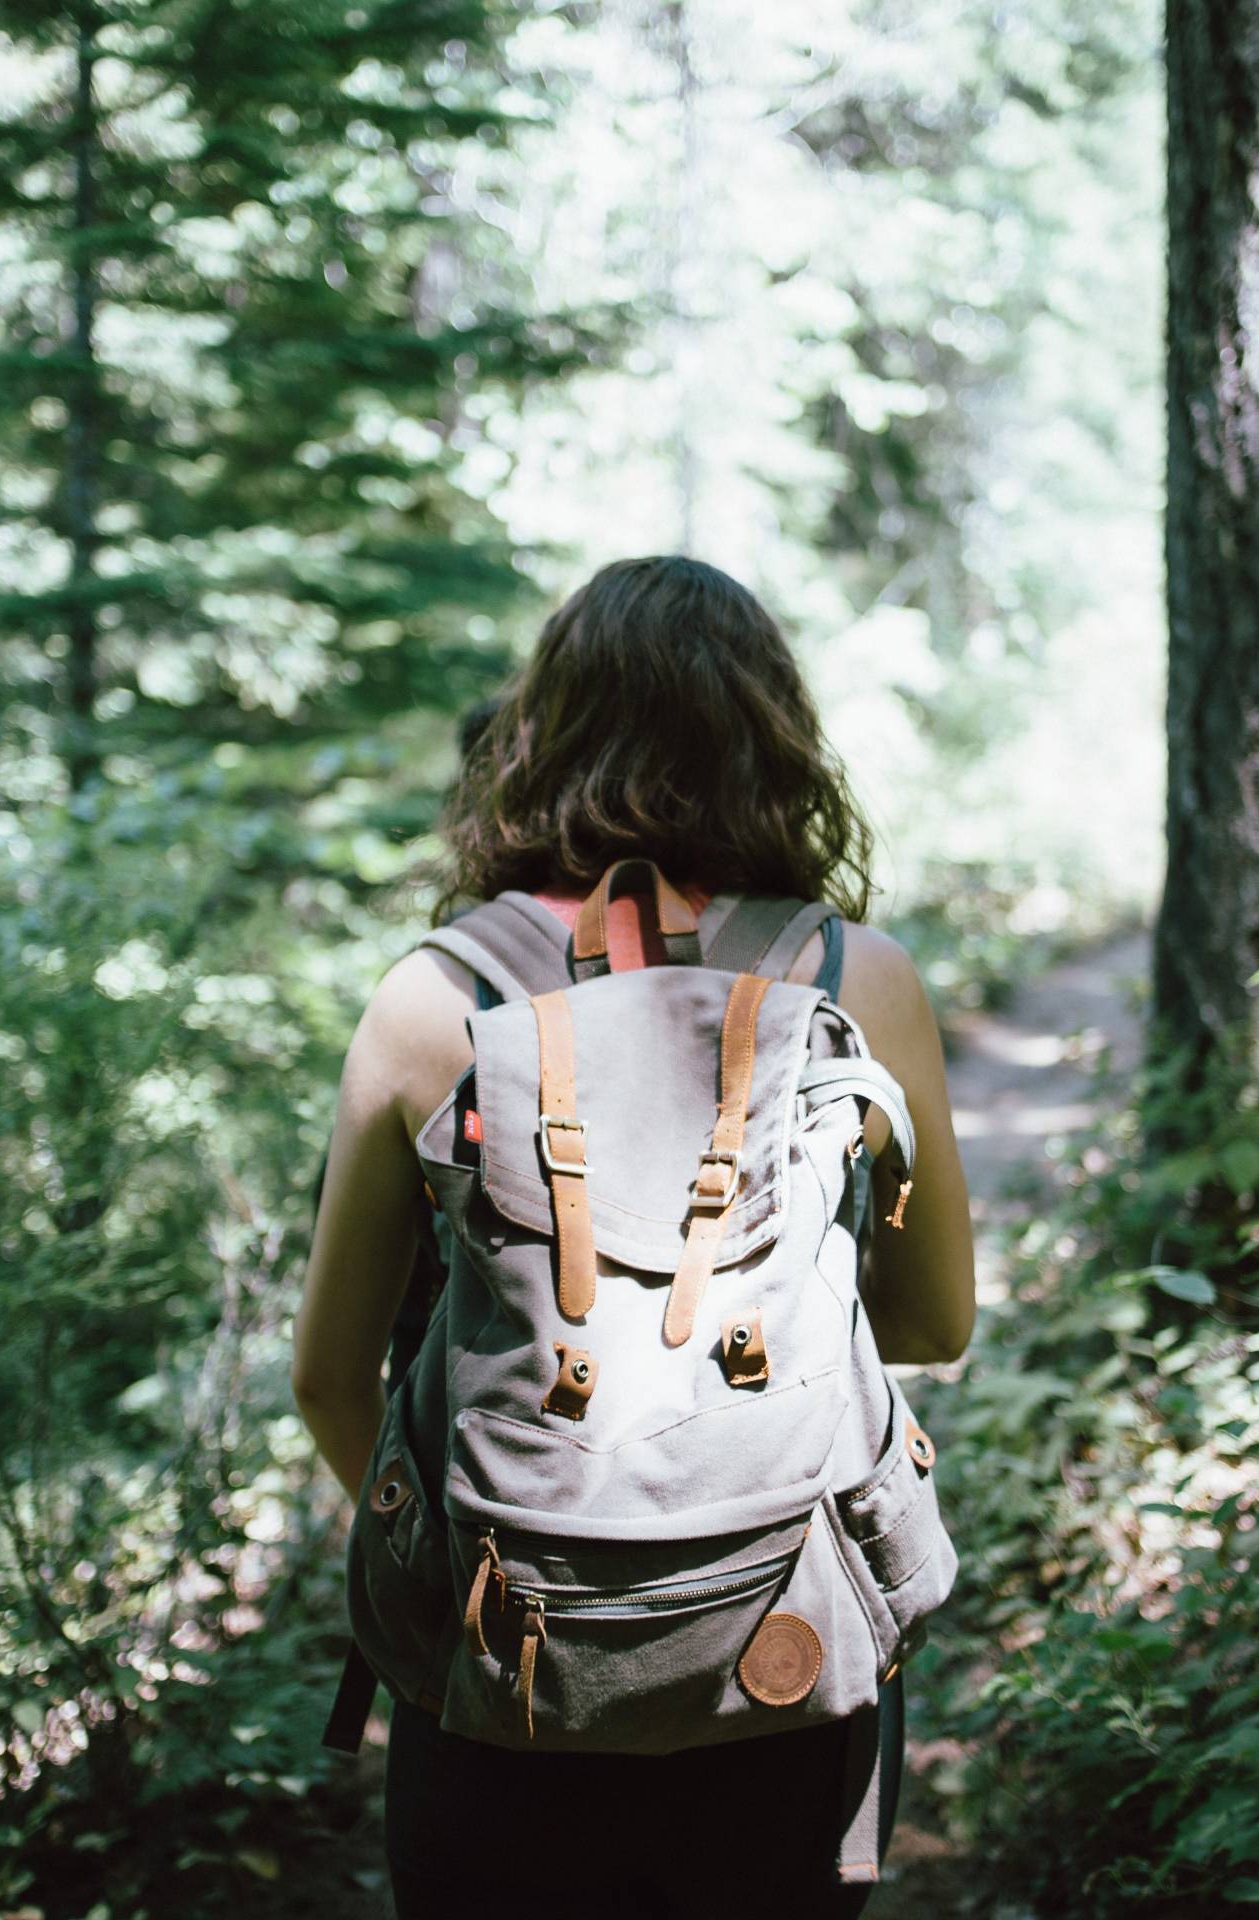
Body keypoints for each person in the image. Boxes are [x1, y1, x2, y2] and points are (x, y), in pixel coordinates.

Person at [291, 555, 976, 1917]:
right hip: (783, 1657)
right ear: (771, 738)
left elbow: (330, 1375)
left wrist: (470, 1545)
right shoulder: (856, 978)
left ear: (541, 736)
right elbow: (932, 1326)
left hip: (503, 1676)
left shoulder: (436, 1000)